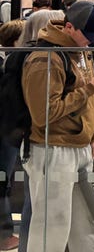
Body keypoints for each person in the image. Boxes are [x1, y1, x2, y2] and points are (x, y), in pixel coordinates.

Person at [21, 2, 94, 252]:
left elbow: (88, 99)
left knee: (86, 225)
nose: (91, 42)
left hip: (79, 146)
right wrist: (90, 88)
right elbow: (44, 114)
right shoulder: (45, 58)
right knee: (51, 227)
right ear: (68, 27)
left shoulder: (80, 51)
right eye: (87, 35)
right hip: (52, 148)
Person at [0, 20, 24, 252]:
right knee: (2, 181)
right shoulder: (8, 66)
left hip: (8, 130)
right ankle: (4, 234)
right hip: (5, 131)